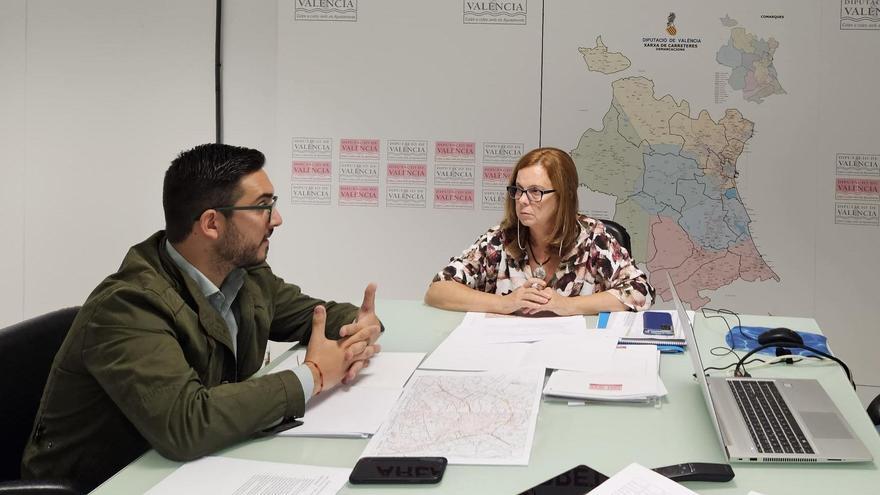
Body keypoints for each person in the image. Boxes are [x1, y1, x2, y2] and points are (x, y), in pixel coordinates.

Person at [21, 144, 382, 491]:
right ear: (212, 223)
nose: (277, 219)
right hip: (101, 482)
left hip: (189, 471)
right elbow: (187, 423)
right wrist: (315, 375)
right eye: (262, 207)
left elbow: (314, 315)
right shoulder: (129, 305)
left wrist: (359, 326)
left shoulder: (246, 275)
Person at [425, 147, 654, 315]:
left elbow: (640, 290)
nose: (523, 200)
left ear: (564, 196)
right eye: (518, 190)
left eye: (535, 192)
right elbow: (438, 289)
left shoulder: (594, 239)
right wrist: (506, 303)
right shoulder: (500, 239)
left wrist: (568, 306)